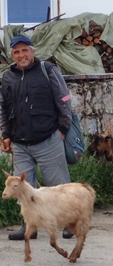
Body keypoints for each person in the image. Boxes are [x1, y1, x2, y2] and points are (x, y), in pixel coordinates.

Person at [0, 35, 73, 240]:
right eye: (16, 52)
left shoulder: (47, 70)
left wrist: (62, 129)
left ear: (32, 52)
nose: (21, 55)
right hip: (20, 143)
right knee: (22, 189)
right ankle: (28, 227)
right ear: (12, 55)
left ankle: (69, 223)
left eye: (24, 50)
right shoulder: (8, 77)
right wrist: (6, 135)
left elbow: (64, 100)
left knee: (58, 186)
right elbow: (4, 109)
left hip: (48, 139)